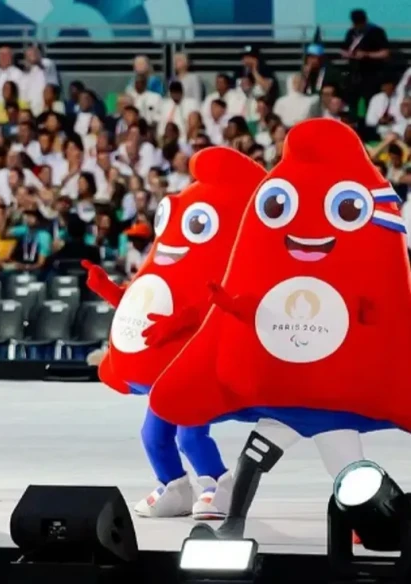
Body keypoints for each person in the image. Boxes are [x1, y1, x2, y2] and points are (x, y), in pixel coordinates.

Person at [149, 119, 410, 541]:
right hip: (290, 400)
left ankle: (373, 522)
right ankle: (236, 522)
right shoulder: (275, 266)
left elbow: (382, 312)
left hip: (322, 404)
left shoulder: (360, 266)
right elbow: (254, 307)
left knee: (343, 469)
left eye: (346, 210)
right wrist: (229, 304)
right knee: (262, 463)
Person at [83, 147, 266, 519]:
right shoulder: (166, 261)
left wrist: (177, 323)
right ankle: (174, 486)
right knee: (153, 435)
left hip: (192, 369)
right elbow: (143, 304)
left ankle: (218, 484)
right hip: (165, 370)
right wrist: (107, 289)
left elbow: (210, 308)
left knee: (190, 434)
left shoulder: (217, 266)